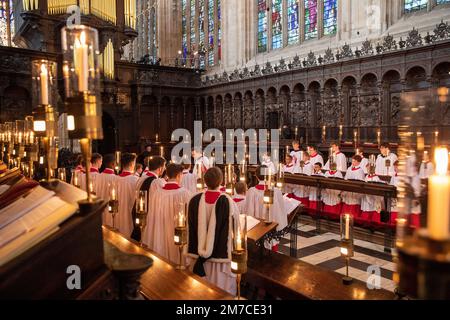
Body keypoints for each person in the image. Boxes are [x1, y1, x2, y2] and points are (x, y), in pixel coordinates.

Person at [186, 167, 239, 295]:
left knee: (199, 293)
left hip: (197, 256)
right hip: (220, 262)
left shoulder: (194, 200)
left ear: (205, 181)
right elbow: (235, 228)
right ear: (221, 181)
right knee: (220, 294)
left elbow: (189, 227)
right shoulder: (228, 201)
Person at [145, 164, 192, 264]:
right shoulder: (185, 193)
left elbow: (151, 217)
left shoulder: (157, 193)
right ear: (179, 175)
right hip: (177, 234)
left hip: (160, 232)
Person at [244, 166, 287, 251]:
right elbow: (281, 211)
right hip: (272, 227)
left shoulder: (251, 191)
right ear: (269, 175)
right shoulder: (277, 191)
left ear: (256, 176)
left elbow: (248, 212)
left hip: (256, 230)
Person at [137, 156, 167, 244]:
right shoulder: (157, 182)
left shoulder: (141, 177)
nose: (165, 168)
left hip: (140, 213)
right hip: (151, 216)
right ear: (160, 168)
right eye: (164, 166)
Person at [117, 153, 139, 237]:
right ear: (131, 164)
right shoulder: (136, 180)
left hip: (118, 215)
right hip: (130, 215)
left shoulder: (115, 179)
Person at [96, 154, 117, 227]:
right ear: (113, 164)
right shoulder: (114, 178)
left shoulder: (98, 176)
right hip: (110, 208)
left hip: (99, 208)